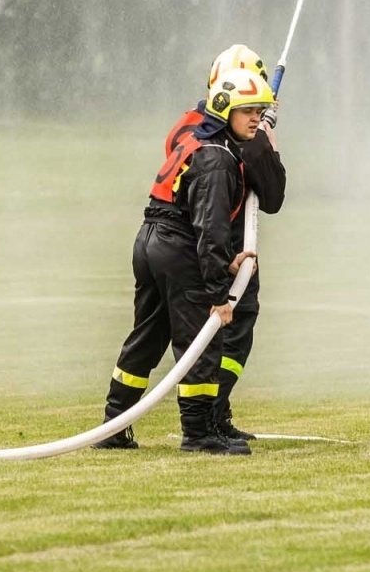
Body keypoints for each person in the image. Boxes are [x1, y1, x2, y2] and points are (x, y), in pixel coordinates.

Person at [92, 66, 278, 454]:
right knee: (201, 341)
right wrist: (219, 296)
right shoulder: (218, 159)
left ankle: (113, 424)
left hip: (152, 240)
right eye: (248, 111)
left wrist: (224, 264)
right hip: (177, 247)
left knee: (148, 335)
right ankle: (198, 434)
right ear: (225, 109)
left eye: (259, 111)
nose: (257, 119)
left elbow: (194, 220)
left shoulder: (204, 143)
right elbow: (210, 231)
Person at [158, 45, 285, 441]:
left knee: (234, 329)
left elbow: (272, 198)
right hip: (210, 241)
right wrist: (261, 144)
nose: (254, 113)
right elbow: (267, 195)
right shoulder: (222, 136)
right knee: (217, 328)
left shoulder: (198, 124)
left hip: (207, 242)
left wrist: (265, 142)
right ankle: (205, 422)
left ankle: (218, 411)